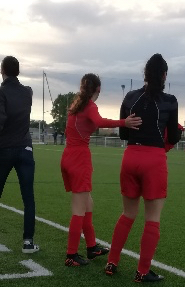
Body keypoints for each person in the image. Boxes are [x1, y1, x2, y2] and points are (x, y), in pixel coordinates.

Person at [105, 53, 180, 283]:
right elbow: (175, 136)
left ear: (145, 74)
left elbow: (123, 133)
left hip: (130, 157)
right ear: (164, 75)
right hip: (153, 160)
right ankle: (142, 271)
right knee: (152, 219)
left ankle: (112, 262)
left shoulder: (130, 97)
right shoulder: (170, 101)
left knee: (128, 214)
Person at [60, 74, 141, 267]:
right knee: (79, 209)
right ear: (98, 89)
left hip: (68, 157)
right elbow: (99, 121)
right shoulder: (89, 106)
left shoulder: (75, 105)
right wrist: (124, 122)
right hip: (79, 159)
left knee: (88, 204)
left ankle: (91, 247)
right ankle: (71, 255)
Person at [0, 55, 39, 253]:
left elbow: (0, 119)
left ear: (1, 70)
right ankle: (28, 242)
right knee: (28, 197)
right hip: (25, 148)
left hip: (5, 149)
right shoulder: (28, 92)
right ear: (18, 71)